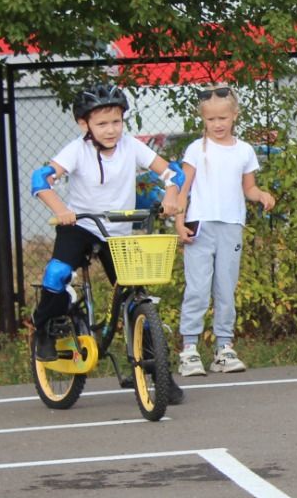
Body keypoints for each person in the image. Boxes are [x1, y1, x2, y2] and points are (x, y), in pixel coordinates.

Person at [30, 83, 186, 367]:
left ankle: (159, 374)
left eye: (116, 121)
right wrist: (62, 210)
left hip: (118, 231)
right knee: (57, 273)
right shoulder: (76, 151)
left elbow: (172, 172)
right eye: (102, 124)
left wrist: (172, 196)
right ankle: (43, 329)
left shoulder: (132, 146)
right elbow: (41, 180)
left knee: (138, 298)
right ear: (83, 124)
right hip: (80, 225)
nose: (111, 129)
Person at [174, 86, 276, 377]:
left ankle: (224, 348)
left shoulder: (244, 150)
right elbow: (182, 190)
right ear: (203, 120)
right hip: (200, 226)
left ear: (234, 116)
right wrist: (179, 222)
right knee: (197, 288)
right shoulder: (196, 149)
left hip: (231, 226)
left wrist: (261, 196)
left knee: (225, 290)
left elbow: (249, 188)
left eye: (223, 118)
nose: (217, 125)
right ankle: (190, 349)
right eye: (210, 120)